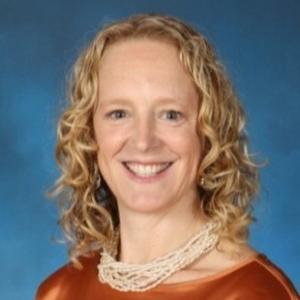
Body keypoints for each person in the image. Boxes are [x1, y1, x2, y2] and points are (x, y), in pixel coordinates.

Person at [36, 14, 299, 299]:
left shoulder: (253, 293)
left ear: (208, 133)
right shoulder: (60, 291)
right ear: (88, 133)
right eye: (119, 114)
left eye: (171, 115)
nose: (144, 141)